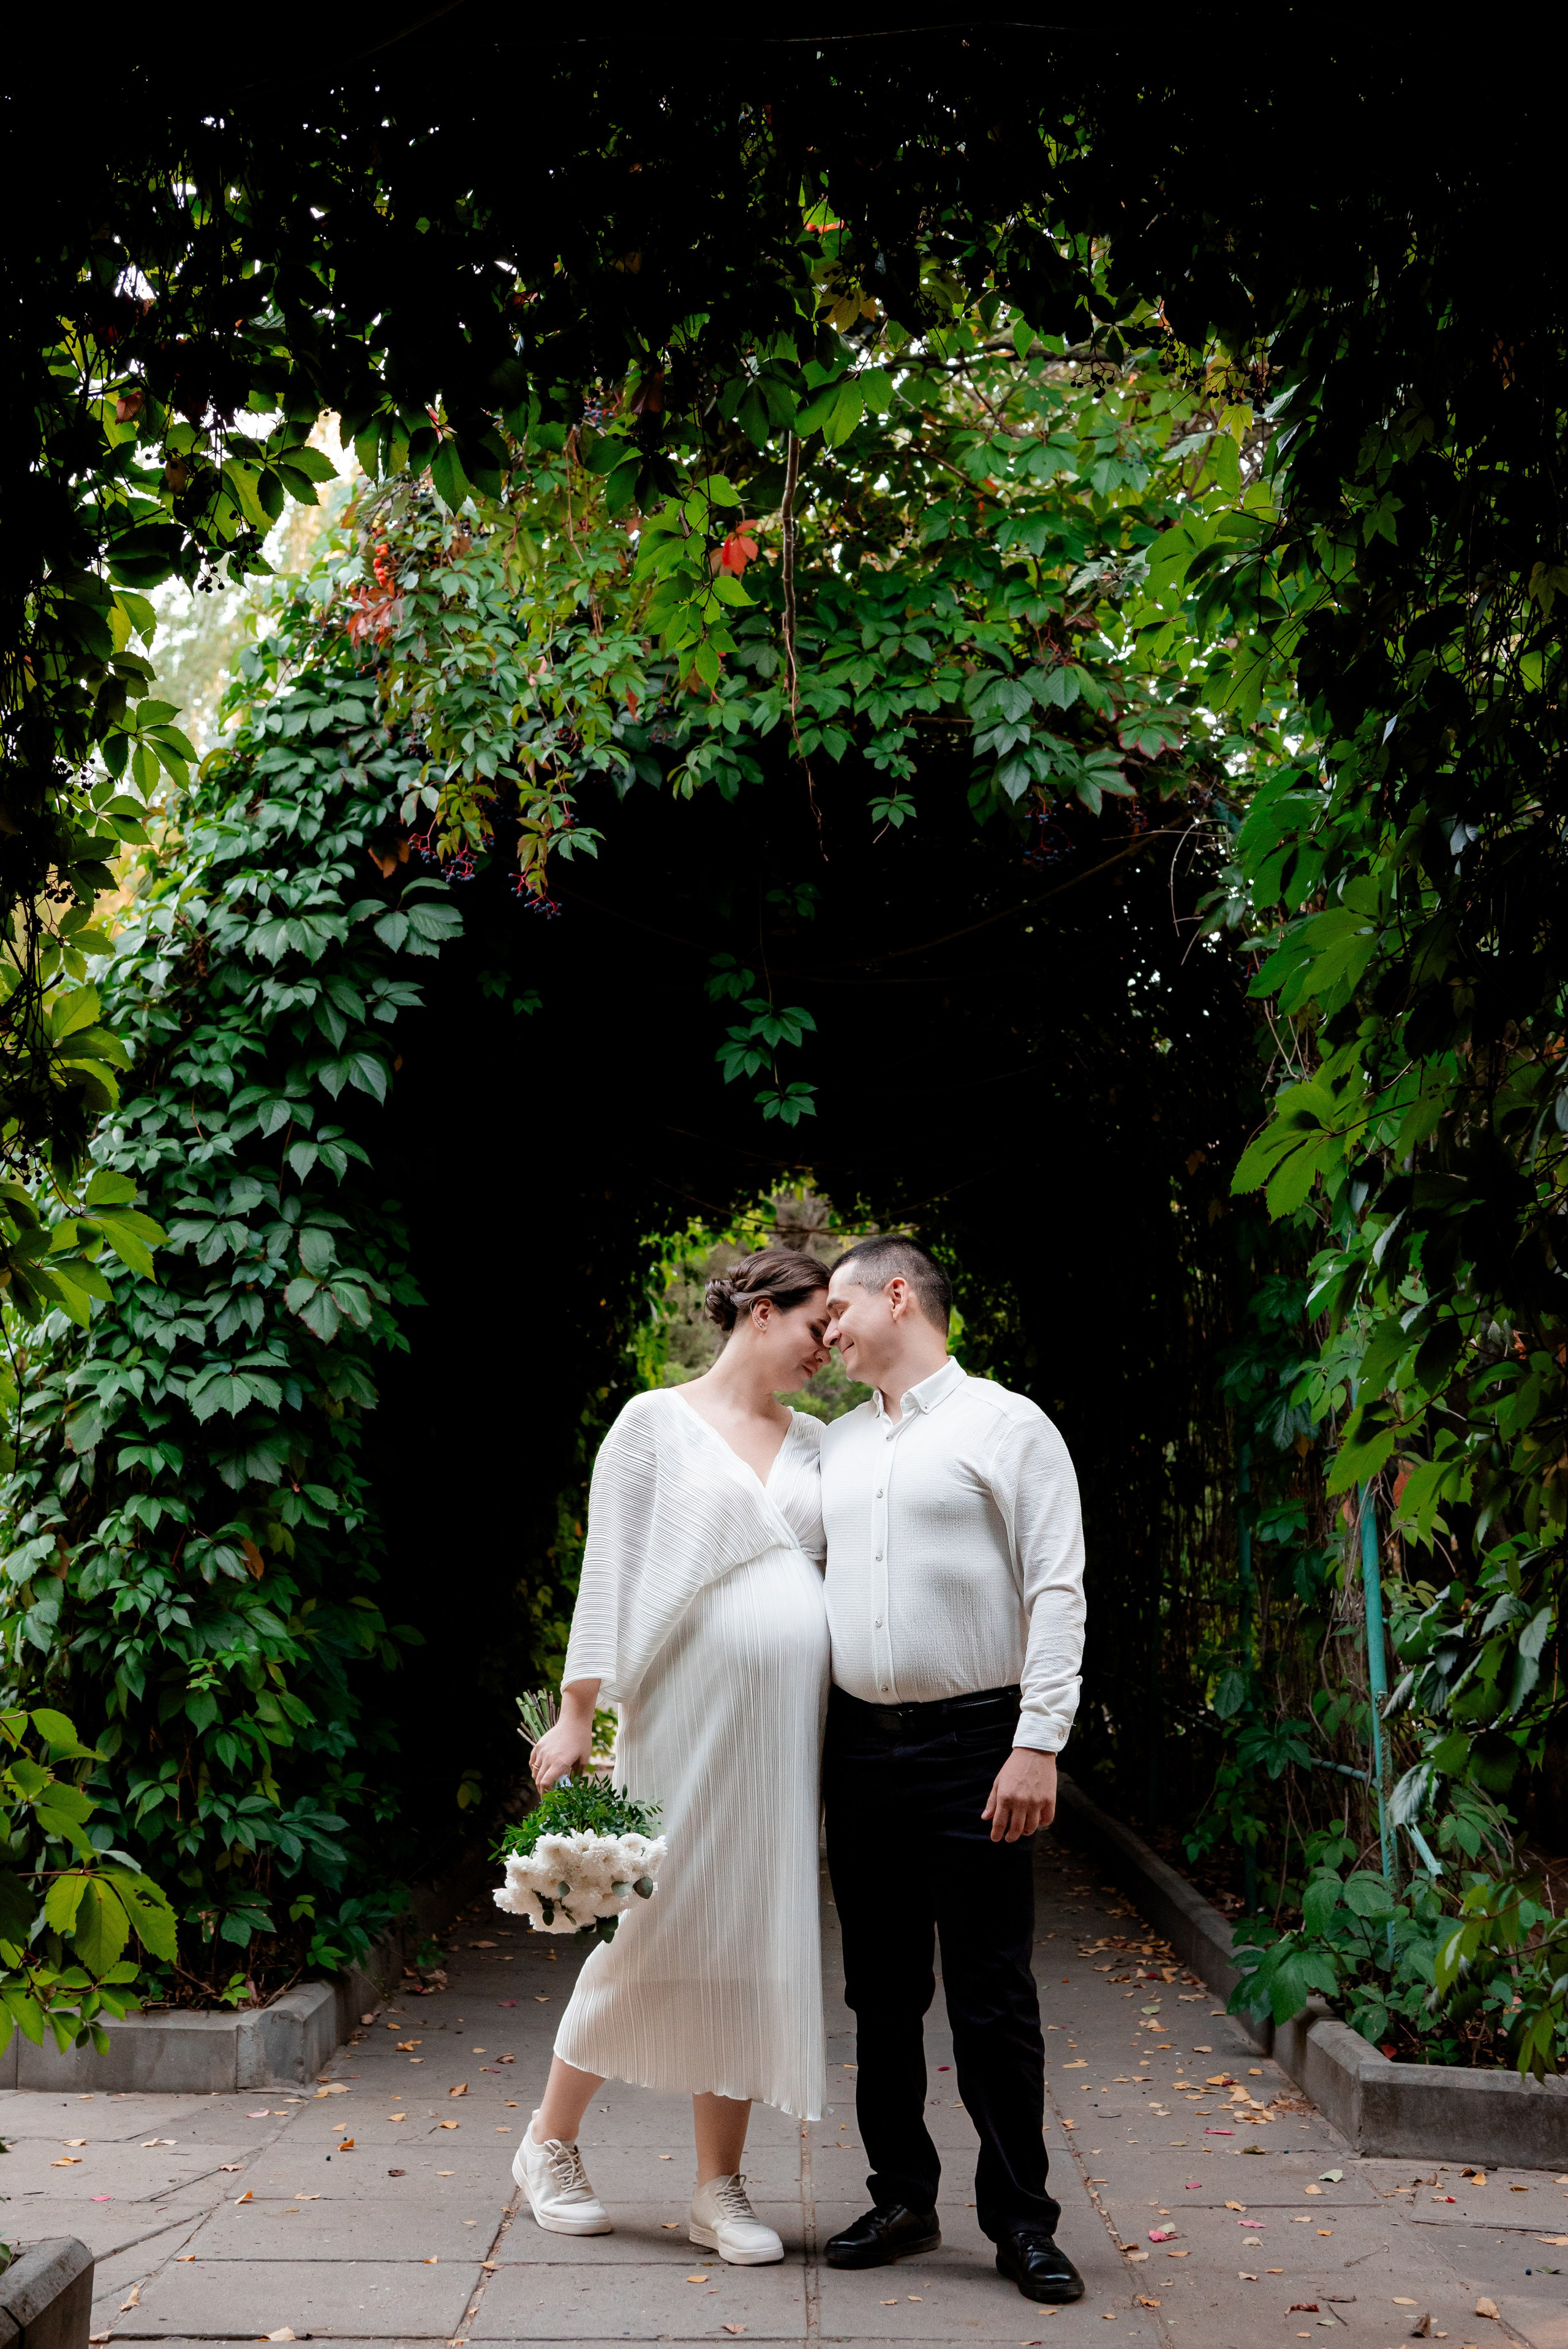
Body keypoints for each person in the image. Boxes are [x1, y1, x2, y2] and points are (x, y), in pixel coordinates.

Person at [520, 1246, 832, 2266]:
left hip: (781, 1741)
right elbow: (606, 1572)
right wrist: (577, 1717)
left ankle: (718, 2188)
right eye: (813, 1323)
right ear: (757, 1312)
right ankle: (547, 2145)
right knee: (645, 1932)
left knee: (750, 1935)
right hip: (682, 1719)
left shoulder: (823, 1443)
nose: (826, 1345)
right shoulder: (653, 1424)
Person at [817, 1235, 1087, 2307]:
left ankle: (1022, 2221)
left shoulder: (1007, 1425)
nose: (824, 1329)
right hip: (858, 1749)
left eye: (837, 1306)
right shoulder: (830, 1444)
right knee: (880, 1995)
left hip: (979, 1745)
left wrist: (1039, 1740)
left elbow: (1056, 1588)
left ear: (898, 1295)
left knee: (990, 1997)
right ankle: (902, 2198)